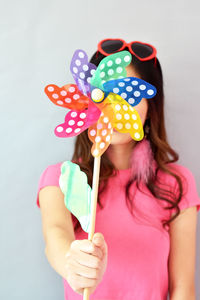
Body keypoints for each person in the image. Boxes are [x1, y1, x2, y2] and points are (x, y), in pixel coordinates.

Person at [36, 39, 200, 300]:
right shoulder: (61, 178)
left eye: (127, 95)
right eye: (106, 94)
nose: (111, 109)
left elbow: (182, 289)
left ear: (150, 108)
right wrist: (73, 265)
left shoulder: (178, 183)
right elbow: (56, 235)